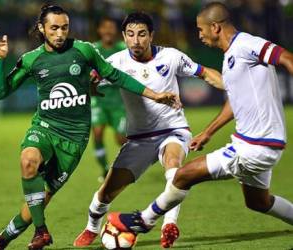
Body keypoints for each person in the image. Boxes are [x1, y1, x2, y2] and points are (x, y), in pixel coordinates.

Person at [0, 5, 178, 250]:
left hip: (74, 138)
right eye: (54, 28)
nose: (60, 34)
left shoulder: (83, 50)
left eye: (64, 27)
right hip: (45, 127)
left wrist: (153, 95)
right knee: (28, 160)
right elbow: (0, 92)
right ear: (42, 28)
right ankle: (41, 231)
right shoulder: (31, 59)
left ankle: (3, 239)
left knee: (41, 198)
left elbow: (116, 76)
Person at [107, 2, 293, 239]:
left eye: (200, 29)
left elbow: (286, 57)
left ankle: (143, 220)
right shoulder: (230, 59)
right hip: (251, 142)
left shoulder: (247, 44)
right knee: (258, 201)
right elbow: (235, 103)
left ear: (215, 27)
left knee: (183, 175)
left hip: (255, 147)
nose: (199, 34)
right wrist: (208, 132)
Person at [73, 12, 222, 248]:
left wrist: (231, 87)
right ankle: (92, 227)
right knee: (106, 193)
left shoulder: (171, 56)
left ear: (151, 35)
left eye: (142, 34)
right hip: (139, 138)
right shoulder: (116, 62)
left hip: (173, 129)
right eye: (130, 35)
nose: (136, 40)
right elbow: (91, 83)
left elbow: (205, 73)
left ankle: (169, 225)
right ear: (124, 36)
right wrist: (91, 85)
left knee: (174, 166)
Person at [91, 17, 128, 182]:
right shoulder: (92, 49)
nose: (108, 31)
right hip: (98, 100)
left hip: (119, 100)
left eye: (111, 28)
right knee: (97, 133)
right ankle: (105, 169)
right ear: (99, 30)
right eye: (104, 27)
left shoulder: (123, 49)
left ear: (116, 31)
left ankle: (127, 167)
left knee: (121, 139)